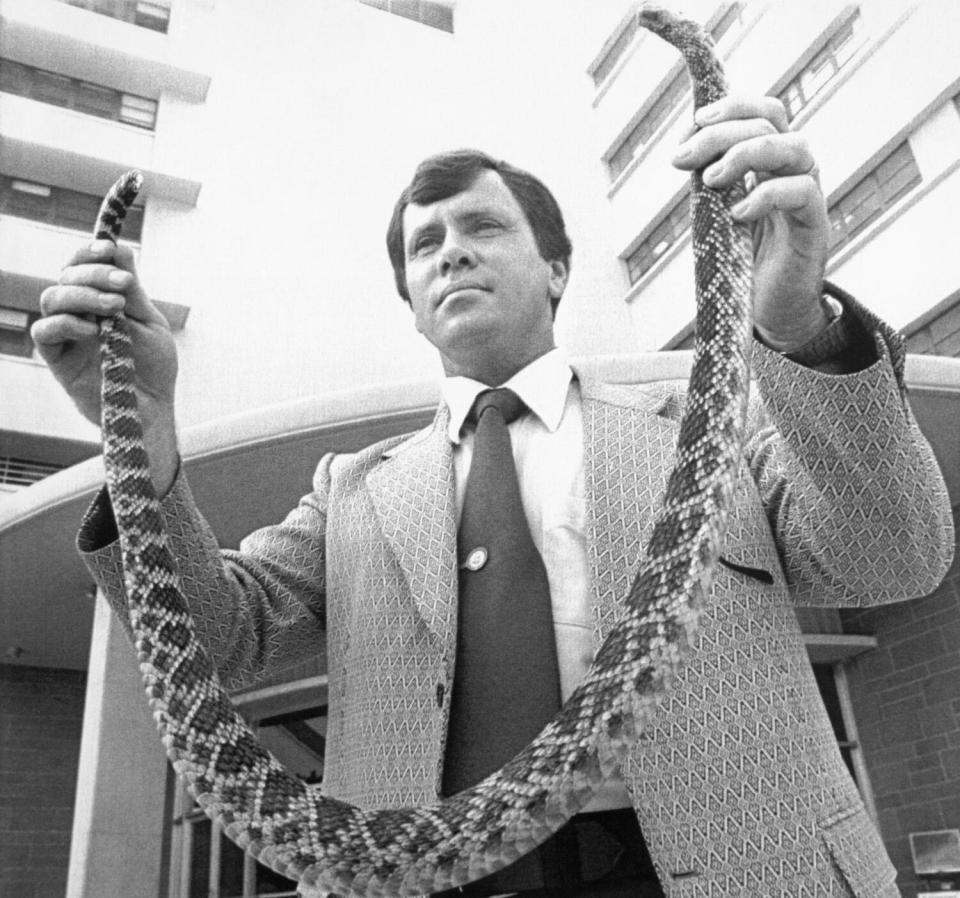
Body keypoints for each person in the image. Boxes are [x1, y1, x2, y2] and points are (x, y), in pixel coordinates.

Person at [34, 94, 953, 897]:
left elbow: (895, 555)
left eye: (483, 227)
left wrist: (793, 326)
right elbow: (219, 645)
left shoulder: (706, 420)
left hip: (754, 870)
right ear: (411, 301)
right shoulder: (351, 491)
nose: (451, 255)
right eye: (424, 245)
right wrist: (141, 435)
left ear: (556, 269)